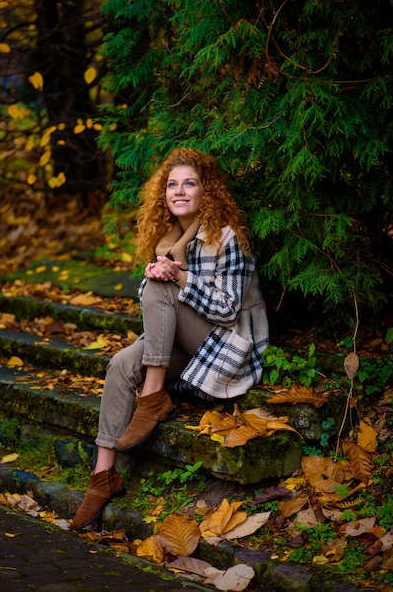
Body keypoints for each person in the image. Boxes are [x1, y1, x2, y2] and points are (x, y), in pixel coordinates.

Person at [70, 147, 269, 532]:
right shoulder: (168, 240)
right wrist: (156, 273)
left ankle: (154, 396)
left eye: (189, 183)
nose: (179, 191)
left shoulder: (228, 239)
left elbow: (227, 310)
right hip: (188, 345)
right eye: (171, 185)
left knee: (163, 287)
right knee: (121, 363)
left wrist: (175, 278)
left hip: (227, 346)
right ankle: (102, 476)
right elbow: (155, 307)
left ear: (206, 192)